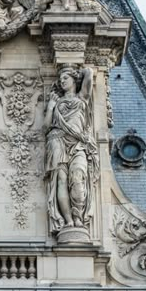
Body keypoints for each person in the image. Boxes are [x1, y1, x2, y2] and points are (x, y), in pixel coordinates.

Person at [44, 66, 99, 234]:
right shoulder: (57, 102)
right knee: (61, 179)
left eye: (65, 78)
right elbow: (45, 127)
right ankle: (68, 220)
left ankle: (78, 217)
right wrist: (51, 106)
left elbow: (89, 76)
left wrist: (82, 68)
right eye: (60, 79)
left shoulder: (82, 98)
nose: (62, 81)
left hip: (78, 143)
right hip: (57, 140)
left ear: (74, 80)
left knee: (78, 177)